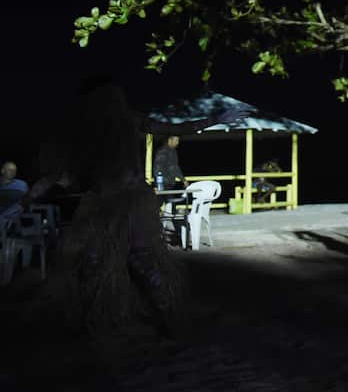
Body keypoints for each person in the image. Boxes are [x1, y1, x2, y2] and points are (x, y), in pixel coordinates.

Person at [24, 78, 246, 335]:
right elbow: (60, 174)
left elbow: (57, 175)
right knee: (114, 260)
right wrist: (217, 118)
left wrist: (28, 198)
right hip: (113, 202)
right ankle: (127, 317)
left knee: (121, 260)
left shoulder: (110, 125)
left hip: (119, 203)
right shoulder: (109, 127)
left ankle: (155, 319)